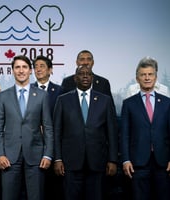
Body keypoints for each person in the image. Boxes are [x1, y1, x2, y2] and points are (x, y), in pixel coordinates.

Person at [53, 65, 118, 200]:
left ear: (92, 78)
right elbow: (57, 132)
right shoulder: (63, 100)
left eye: (88, 74)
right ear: (75, 78)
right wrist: (57, 159)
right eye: (81, 74)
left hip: (97, 162)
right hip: (70, 163)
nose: (85, 76)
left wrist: (112, 159)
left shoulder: (105, 100)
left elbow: (112, 132)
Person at [0, 55, 54, 200]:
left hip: (36, 156)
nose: (21, 71)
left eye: (24, 67)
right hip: (9, 156)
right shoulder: (3, 96)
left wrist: (48, 154)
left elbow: (47, 127)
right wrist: (0, 154)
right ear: (12, 71)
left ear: (30, 71)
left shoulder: (42, 95)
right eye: (17, 67)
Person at [120, 57, 170, 200]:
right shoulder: (128, 103)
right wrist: (125, 160)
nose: (147, 78)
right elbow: (124, 134)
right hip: (138, 163)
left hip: (163, 163)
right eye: (143, 75)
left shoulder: (167, 103)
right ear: (137, 78)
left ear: (155, 77)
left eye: (150, 74)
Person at [32, 55, 64, 200]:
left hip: (56, 143)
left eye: (42, 66)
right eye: (36, 66)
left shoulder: (60, 91)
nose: (38, 69)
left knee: (55, 188)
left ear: (50, 70)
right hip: (33, 143)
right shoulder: (28, 89)